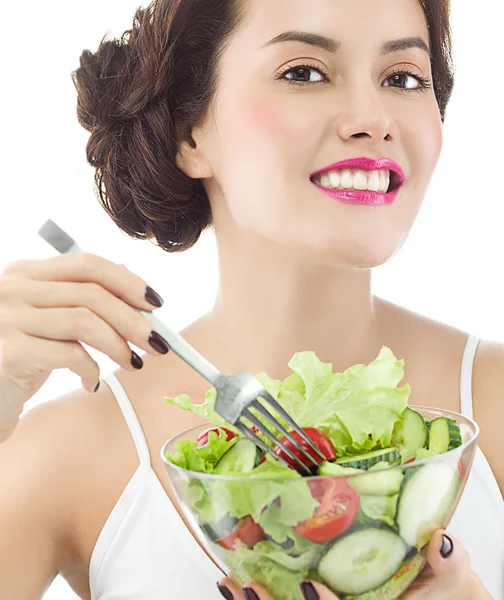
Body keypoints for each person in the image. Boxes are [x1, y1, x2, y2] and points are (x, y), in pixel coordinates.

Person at [0, 0, 502, 599]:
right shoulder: (69, 452)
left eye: (403, 78)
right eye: (304, 72)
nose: (374, 118)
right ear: (190, 131)